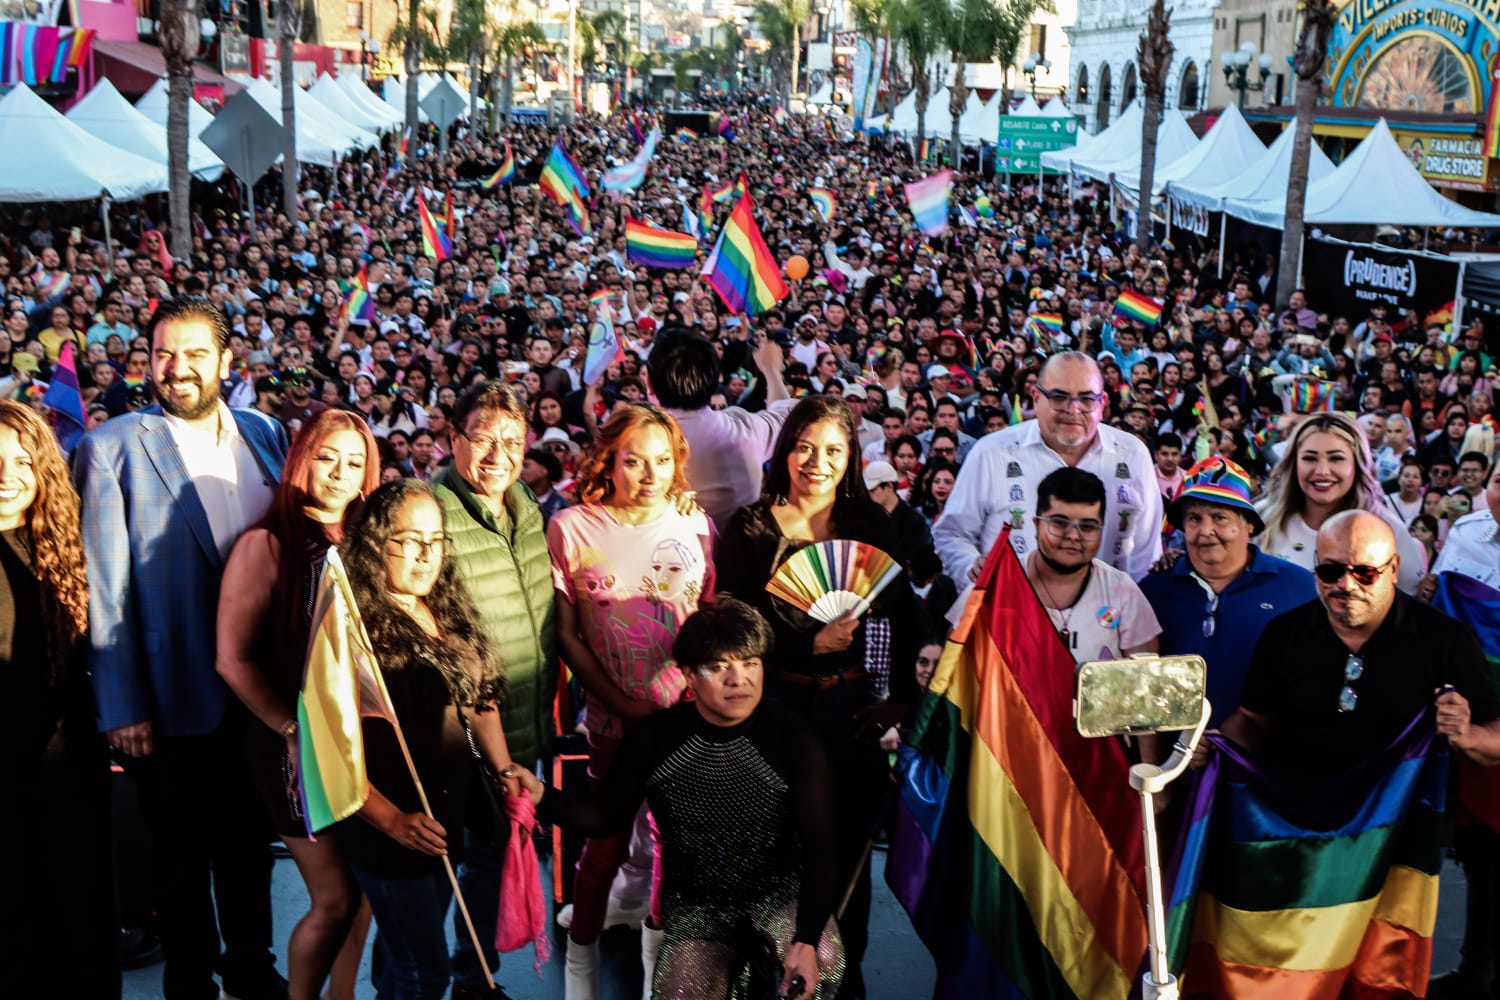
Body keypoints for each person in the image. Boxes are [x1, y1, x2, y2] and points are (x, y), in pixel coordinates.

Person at [73, 297, 289, 1000]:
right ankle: (191, 981)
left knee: (249, 849)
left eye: (196, 353)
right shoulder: (112, 448)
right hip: (167, 701)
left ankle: (254, 971)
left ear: (228, 361)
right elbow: (105, 590)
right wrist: (122, 704)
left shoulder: (265, 433)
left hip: (257, 695)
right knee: (179, 860)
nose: (178, 368)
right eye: (165, 353)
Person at [512, 596, 845, 999]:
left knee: (824, 961)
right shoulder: (656, 737)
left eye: (750, 663)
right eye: (719, 667)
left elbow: (822, 849)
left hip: (779, 894)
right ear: (689, 675)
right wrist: (540, 793)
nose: (738, 679)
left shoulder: (794, 738)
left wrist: (806, 940)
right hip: (697, 906)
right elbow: (603, 818)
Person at [717, 395, 916, 1000]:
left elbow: (904, 615)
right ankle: (769, 976)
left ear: (851, 457)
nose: (817, 462)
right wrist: (808, 641)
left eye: (833, 450)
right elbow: (734, 631)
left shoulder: (869, 525)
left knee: (850, 850)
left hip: (849, 714)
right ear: (785, 451)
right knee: (775, 854)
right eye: (805, 446)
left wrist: (899, 697)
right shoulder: (750, 528)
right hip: (774, 709)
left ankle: (841, 976)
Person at [547, 403, 716, 1000]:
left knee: (674, 849)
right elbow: (568, 634)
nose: (650, 473)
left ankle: (656, 978)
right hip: (613, 723)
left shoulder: (697, 526)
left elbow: (706, 625)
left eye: (663, 461)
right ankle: (579, 974)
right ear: (608, 461)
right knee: (605, 844)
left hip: (685, 723)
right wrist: (618, 699)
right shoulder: (571, 527)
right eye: (634, 461)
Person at [215, 410, 381, 1000]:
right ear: (301, 458)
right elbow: (232, 660)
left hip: (366, 744)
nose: (340, 472)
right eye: (328, 456)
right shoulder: (266, 544)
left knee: (362, 891)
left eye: (355, 461)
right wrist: (290, 730)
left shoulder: (372, 543)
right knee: (334, 897)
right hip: (293, 747)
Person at [336, 478, 516, 1000]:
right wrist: (393, 821)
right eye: (408, 539)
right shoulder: (350, 630)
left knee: (404, 963)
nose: (424, 554)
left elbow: (482, 700)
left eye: (435, 540)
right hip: (392, 833)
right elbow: (329, 748)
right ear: (376, 543)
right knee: (425, 974)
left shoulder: (446, 608)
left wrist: (505, 772)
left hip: (444, 821)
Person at [429, 380, 559, 1000]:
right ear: (452, 437)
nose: (497, 455)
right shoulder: (430, 512)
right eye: (482, 438)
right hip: (459, 735)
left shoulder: (526, 504)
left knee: (491, 860)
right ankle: (441, 982)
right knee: (445, 868)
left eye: (511, 441)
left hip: (525, 725)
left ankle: (473, 978)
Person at [1220, 510, 1500, 775]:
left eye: (1365, 573)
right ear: (1315, 566)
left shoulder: (1447, 640)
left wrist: (1468, 736)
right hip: (1299, 814)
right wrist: (1219, 746)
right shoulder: (1284, 633)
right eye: (1331, 571)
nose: (1346, 584)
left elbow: (1494, 734)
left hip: (1402, 819)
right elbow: (1252, 721)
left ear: (1393, 569)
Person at [0, 400, 119, 998]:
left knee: (78, 924)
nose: (7, 475)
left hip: (69, 773)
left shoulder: (69, 545)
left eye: (22, 460)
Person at [935, 352, 1162, 605]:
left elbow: (1146, 551)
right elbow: (951, 534)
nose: (1073, 410)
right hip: (1009, 617)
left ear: (1103, 402)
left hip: (1106, 623)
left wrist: (1132, 616)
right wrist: (972, 566)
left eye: (1087, 399)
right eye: (1059, 396)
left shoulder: (1132, 455)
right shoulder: (991, 452)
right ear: (1035, 396)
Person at [1138, 457, 1317, 729]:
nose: (1206, 531)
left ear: (1249, 525)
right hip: (1178, 764)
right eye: (1194, 518)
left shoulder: (1300, 588)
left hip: (1268, 762)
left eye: (1220, 517)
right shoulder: (1153, 591)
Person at [1254, 411, 1426, 594]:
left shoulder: (1387, 527)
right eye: (1310, 458)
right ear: (1294, 463)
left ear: (1358, 463)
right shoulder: (1261, 519)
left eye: (1336, 458)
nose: (1322, 471)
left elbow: (1412, 598)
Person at [649, 328, 793, 530]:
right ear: (715, 378)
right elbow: (787, 415)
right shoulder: (743, 428)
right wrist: (771, 371)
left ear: (649, 383)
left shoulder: (644, 444)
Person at [1022, 467, 1161, 664]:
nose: (1072, 536)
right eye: (1060, 523)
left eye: (1087, 527)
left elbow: (1145, 679)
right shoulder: (1000, 584)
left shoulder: (1121, 592)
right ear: (1036, 525)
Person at [862, 458, 932, 567]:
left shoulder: (914, 520)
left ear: (889, 487)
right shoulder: (864, 517)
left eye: (872, 490)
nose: (868, 495)